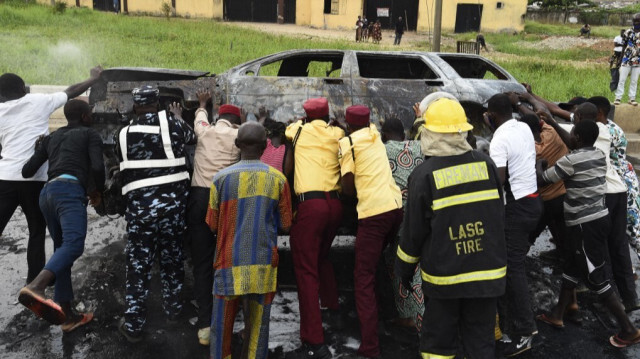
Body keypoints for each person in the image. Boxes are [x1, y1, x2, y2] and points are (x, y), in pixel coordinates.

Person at [396, 97, 506, 358]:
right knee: (480, 343)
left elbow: (413, 233)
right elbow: (496, 217)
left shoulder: (424, 175)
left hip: (445, 281)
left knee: (438, 346)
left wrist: (403, 271)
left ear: (429, 133)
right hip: (487, 277)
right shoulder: (486, 164)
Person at [536, 120, 640, 349]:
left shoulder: (571, 161)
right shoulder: (597, 155)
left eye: (572, 132)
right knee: (572, 267)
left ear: (578, 139)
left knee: (596, 277)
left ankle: (629, 329)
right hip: (597, 219)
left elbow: (543, 179)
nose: (569, 134)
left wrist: (540, 164)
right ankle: (558, 314)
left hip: (585, 224)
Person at [0, 66, 102, 285]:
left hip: (5, 178)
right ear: (22, 88)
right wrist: (93, 79)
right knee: (36, 232)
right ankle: (34, 284)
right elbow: (71, 92)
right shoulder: (37, 101)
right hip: (34, 179)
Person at [115, 85, 196, 343]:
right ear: (158, 102)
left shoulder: (123, 134)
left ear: (136, 106)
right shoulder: (173, 125)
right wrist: (178, 116)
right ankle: (173, 312)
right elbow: (192, 137)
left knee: (138, 265)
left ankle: (134, 324)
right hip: (173, 209)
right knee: (172, 260)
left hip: (140, 213)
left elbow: (121, 162)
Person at [206, 122, 292, 359]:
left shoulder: (220, 179)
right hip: (262, 266)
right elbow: (286, 223)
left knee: (221, 329)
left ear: (237, 145)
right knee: (258, 330)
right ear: (265, 145)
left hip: (227, 265)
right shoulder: (278, 180)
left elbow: (212, 224)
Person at [17, 99, 104, 332]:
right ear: (85, 117)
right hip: (68, 192)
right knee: (74, 245)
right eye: (91, 112)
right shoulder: (89, 134)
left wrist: (40, 149)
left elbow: (27, 171)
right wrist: (98, 191)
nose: (93, 116)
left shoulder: (52, 138)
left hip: (47, 194)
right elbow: (97, 166)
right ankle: (36, 286)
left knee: (61, 252)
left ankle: (68, 317)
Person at [338, 105, 403, 358]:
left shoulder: (347, 144)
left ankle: (370, 347)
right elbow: (361, 131)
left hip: (374, 214)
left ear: (347, 124)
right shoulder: (375, 134)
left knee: (362, 278)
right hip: (396, 209)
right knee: (376, 266)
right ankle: (389, 316)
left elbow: (348, 190)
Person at [285, 98, 345, 359]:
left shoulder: (297, 130)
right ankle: (333, 310)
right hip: (335, 206)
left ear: (306, 116)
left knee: (306, 272)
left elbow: (290, 129)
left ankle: (314, 342)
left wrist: (301, 122)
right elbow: (342, 128)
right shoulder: (337, 133)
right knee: (322, 257)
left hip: (310, 207)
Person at [486, 93, 542, 357]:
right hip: (533, 203)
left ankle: (524, 331)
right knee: (513, 265)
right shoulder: (522, 126)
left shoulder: (499, 138)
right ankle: (513, 323)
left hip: (517, 208)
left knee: (512, 269)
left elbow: (498, 182)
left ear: (492, 115)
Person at [187, 90, 242, 345]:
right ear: (236, 121)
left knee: (201, 263)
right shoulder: (239, 135)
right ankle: (227, 321)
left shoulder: (205, 130)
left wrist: (201, 104)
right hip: (224, 200)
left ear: (219, 117)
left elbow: (199, 120)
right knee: (226, 260)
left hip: (198, 198)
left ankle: (204, 327)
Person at [381, 117, 424, 332]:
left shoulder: (382, 150)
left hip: (400, 217)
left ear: (384, 135)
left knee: (404, 266)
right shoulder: (418, 146)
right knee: (408, 261)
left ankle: (417, 318)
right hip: (423, 212)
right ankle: (408, 314)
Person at [589, 96, 640, 258]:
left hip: (623, 184)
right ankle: (627, 269)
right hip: (620, 181)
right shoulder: (605, 125)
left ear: (598, 113)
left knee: (632, 230)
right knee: (618, 231)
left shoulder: (610, 131)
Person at [614, 13, 640, 106]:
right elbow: (624, 46)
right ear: (633, 21)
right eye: (635, 21)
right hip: (626, 59)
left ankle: (632, 98)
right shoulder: (628, 32)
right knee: (622, 79)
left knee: (634, 80)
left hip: (638, 60)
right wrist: (620, 59)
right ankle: (618, 97)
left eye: (638, 21)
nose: (637, 23)